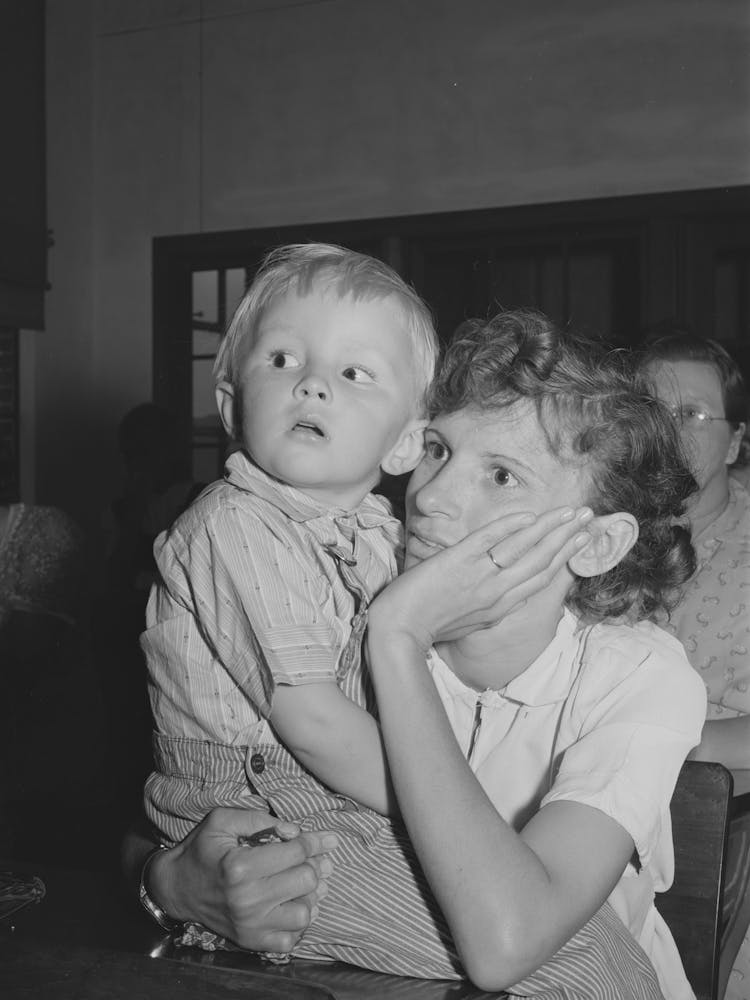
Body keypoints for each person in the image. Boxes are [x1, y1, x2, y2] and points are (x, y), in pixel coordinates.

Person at [137, 305, 704, 999]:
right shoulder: (334, 617)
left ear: (594, 543)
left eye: (501, 476)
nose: (430, 497)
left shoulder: (637, 676)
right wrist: (172, 883)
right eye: (437, 449)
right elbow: (153, 810)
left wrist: (399, 636)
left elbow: (506, 944)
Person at [638, 331, 750, 1000]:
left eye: (693, 415)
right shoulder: (583, 528)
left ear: (735, 443)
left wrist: (682, 744)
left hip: (727, 832)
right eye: (650, 408)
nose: (668, 430)